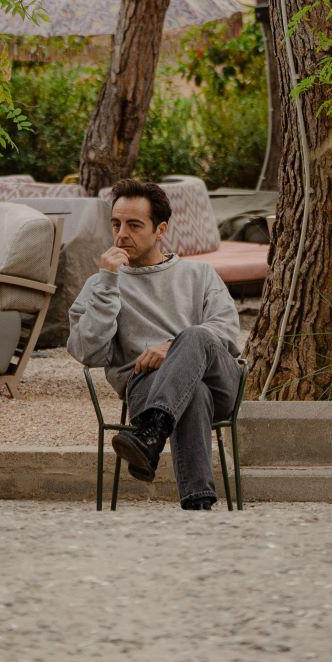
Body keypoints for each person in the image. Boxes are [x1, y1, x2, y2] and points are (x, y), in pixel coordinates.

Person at [67, 178, 242, 510]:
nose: (121, 235)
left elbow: (226, 330)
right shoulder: (101, 283)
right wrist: (107, 284)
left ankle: (149, 433)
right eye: (116, 224)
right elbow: (85, 351)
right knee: (193, 393)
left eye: (134, 225)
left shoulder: (199, 275)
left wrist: (171, 348)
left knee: (194, 336)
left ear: (160, 230)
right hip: (147, 387)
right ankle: (196, 503)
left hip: (217, 382)